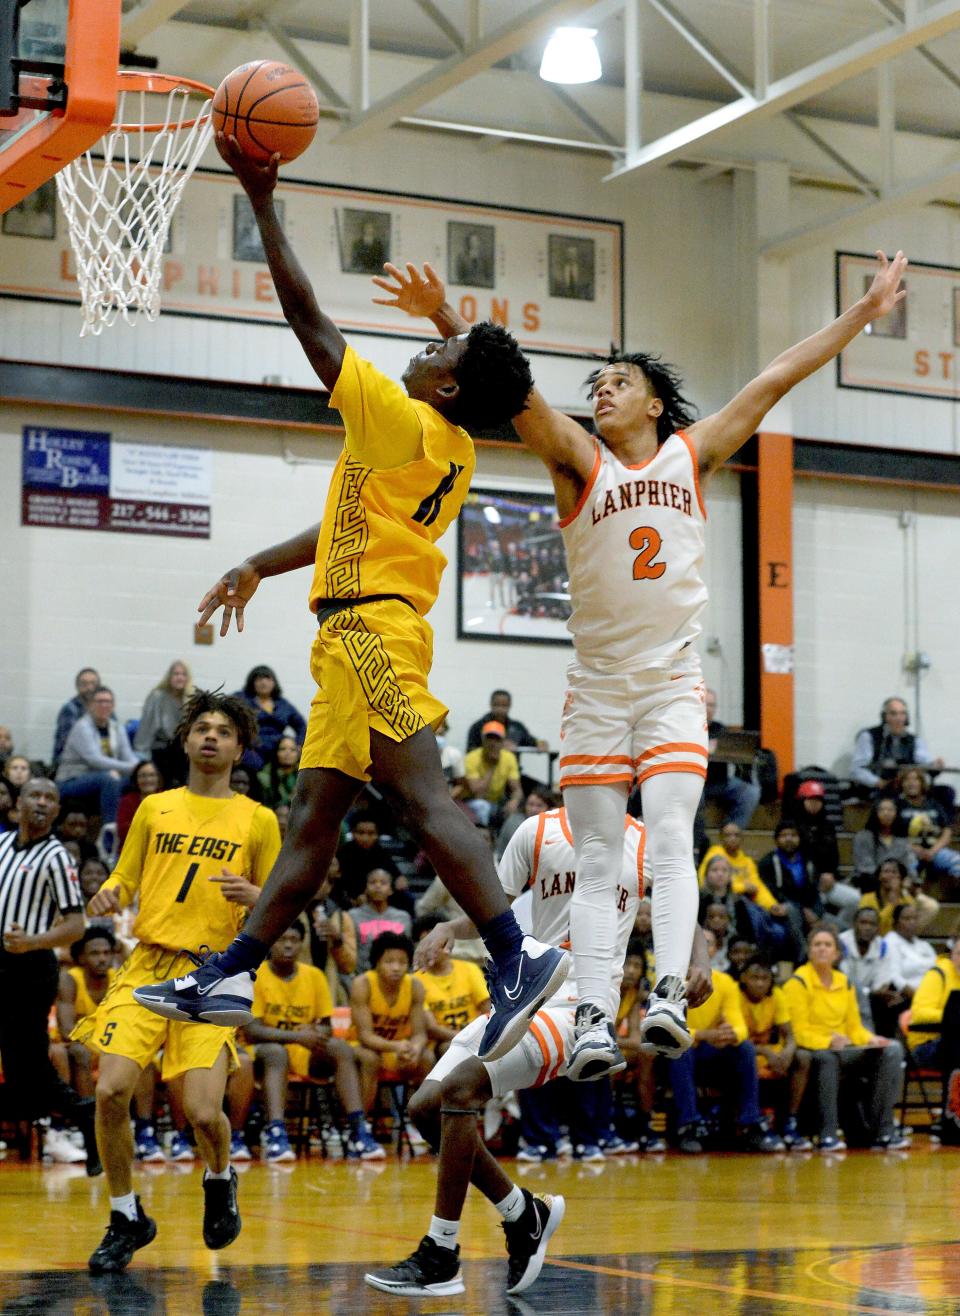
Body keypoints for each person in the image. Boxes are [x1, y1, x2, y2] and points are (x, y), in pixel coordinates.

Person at [367, 246, 912, 1078]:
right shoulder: (577, 460)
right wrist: (449, 318)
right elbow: (512, 389)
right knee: (594, 860)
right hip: (595, 687)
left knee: (665, 838)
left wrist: (863, 314)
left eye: (619, 381)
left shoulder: (691, 455)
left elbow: (776, 376)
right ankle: (592, 1016)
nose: (602, 391)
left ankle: (661, 997)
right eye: (597, 386)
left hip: (667, 685)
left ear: (655, 403)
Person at [132, 138, 567, 1065]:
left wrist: (260, 201)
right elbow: (343, 529)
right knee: (315, 820)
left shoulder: (405, 417)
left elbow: (308, 321)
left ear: (445, 384)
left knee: (420, 793)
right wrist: (258, 563)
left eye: (439, 345)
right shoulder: (447, 441)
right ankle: (232, 972)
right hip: (355, 625)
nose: (426, 344)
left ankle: (515, 951)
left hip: (370, 629)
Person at [366, 800, 710, 1298]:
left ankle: (442, 1253)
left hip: (584, 1004)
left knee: (462, 1090)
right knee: (423, 1109)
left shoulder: (643, 841)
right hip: (527, 988)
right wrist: (446, 927)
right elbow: (494, 909)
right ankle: (523, 1213)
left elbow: (683, 911)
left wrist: (697, 960)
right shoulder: (537, 830)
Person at [77, 690, 281, 1274]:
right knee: (112, 1089)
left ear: (241, 748)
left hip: (212, 974)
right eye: (202, 729)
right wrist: (112, 890)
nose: (211, 737)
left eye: (224, 731)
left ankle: (220, 1179)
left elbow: (281, 903)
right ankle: (125, 1216)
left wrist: (258, 896)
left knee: (201, 1111)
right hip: (148, 963)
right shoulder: (154, 807)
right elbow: (125, 873)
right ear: (186, 740)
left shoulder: (258, 819)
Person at [0, 776, 98, 1176]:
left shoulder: (57, 856)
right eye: (34, 796)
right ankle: (77, 1116)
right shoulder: (2, 845)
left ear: (56, 811)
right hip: (2, 962)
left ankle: (84, 1116)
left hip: (30, 967)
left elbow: (77, 925)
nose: (41, 803)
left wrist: (32, 942)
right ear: (18, 803)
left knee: (31, 1068)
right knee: (22, 1074)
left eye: (49, 799)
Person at [243, 919, 383, 1161]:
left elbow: (326, 1026)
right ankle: (276, 1132)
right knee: (276, 1051)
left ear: (301, 944)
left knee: (340, 1048)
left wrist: (318, 1034)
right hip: (262, 1053)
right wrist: (297, 1035)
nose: (287, 946)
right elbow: (252, 1032)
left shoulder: (315, 975)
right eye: (282, 940)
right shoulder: (254, 975)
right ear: (270, 943)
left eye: (294, 940)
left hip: (305, 1048)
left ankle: (357, 1129)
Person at [783, 925, 906, 1151]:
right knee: (827, 1058)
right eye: (817, 945)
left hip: (844, 1048)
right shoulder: (797, 983)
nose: (822, 949)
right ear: (809, 951)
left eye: (827, 945)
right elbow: (798, 1032)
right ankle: (827, 1135)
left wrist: (871, 1039)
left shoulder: (845, 982)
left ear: (837, 953)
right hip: (816, 1048)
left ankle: (883, 1131)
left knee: (892, 1050)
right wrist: (828, 1042)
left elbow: (854, 1027)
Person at [668, 929, 784, 1154]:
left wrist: (730, 1035)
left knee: (745, 1048)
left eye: (706, 944)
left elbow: (739, 1026)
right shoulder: (669, 980)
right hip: (677, 1051)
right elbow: (669, 1028)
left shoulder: (726, 983)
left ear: (712, 950)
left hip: (710, 1049)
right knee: (680, 1049)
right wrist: (702, 1035)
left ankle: (750, 1124)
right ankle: (688, 1126)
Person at [350, 931, 430, 1114]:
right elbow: (365, 1036)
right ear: (377, 962)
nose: (396, 968)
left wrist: (415, 1048)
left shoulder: (415, 986)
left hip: (397, 1049)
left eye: (402, 962)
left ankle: (422, 1122)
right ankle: (360, 1125)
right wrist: (397, 1047)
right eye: (389, 962)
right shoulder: (362, 984)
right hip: (360, 1048)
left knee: (426, 1057)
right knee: (371, 1058)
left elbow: (419, 1034)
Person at [738, 957, 812, 1150]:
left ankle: (790, 1121)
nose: (760, 983)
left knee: (802, 1057)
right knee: (746, 1057)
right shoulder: (735, 995)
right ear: (744, 978)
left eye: (765, 978)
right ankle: (755, 1124)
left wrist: (787, 1054)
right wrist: (766, 1053)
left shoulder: (777, 995)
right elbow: (734, 1041)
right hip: (740, 1052)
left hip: (767, 1053)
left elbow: (790, 1037)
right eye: (755, 978)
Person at [56, 687, 138, 825]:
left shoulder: (117, 727)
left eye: (108, 702)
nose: (104, 705)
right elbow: (95, 760)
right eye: (99, 701)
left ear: (113, 705)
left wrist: (140, 769)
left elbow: (128, 756)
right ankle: (110, 828)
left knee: (145, 777)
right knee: (110, 779)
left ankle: (136, 825)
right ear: (90, 705)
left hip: (105, 775)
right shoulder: (82, 727)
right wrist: (134, 767)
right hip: (72, 780)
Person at [413, 915, 490, 1056]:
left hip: (476, 1035)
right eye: (428, 944)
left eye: (438, 943)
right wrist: (466, 1039)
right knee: (450, 1049)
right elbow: (432, 1028)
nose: (434, 949)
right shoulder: (415, 980)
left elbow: (487, 1010)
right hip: (442, 1042)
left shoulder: (470, 968)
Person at [851, 696, 945, 799]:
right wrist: (877, 782)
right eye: (893, 713)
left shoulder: (914, 740)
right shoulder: (869, 736)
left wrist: (935, 765)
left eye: (902, 713)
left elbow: (924, 761)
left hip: (906, 787)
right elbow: (857, 769)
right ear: (884, 717)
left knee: (945, 792)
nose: (899, 718)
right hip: (879, 787)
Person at [839, 905, 907, 1037]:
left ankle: (883, 1045)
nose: (867, 928)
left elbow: (881, 986)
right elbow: (844, 982)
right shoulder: (841, 942)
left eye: (872, 924)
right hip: (842, 994)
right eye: (863, 922)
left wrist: (876, 993)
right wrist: (872, 993)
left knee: (892, 1002)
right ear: (854, 924)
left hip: (870, 998)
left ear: (878, 928)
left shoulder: (884, 947)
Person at [698, 687, 760, 830]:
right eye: (705, 704)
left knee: (751, 792)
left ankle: (732, 829)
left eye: (712, 705)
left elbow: (732, 752)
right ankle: (698, 834)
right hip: (699, 783)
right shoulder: (689, 728)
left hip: (722, 782)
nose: (708, 709)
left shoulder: (721, 729)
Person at [897, 767, 960, 891]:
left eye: (915, 779)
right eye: (907, 780)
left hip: (935, 851)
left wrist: (933, 851)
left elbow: (947, 831)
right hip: (907, 852)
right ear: (902, 784)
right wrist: (915, 849)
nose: (911, 783)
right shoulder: (896, 805)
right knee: (902, 869)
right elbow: (891, 835)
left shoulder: (934, 804)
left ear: (921, 783)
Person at [236, 665, 307, 770]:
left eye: (268, 679)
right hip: (253, 749)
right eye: (259, 679)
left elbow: (301, 726)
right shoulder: (241, 699)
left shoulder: (283, 704)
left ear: (274, 682)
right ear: (252, 682)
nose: (264, 682)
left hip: (278, 751)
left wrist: (298, 744)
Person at [133, 660, 193, 784]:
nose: (179, 677)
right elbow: (146, 728)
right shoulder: (157, 696)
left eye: (183, 674)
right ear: (169, 677)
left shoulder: (191, 699)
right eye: (176, 674)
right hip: (161, 749)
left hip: (184, 751)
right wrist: (142, 755)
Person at [350, 868, 413, 973]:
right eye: (372, 882)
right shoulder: (353, 916)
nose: (377, 886)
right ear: (366, 888)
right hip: (363, 975)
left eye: (383, 883)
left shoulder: (403, 917)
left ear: (390, 890)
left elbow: (407, 951)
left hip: (395, 975)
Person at [463, 721, 523, 828]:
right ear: (483, 739)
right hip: (473, 802)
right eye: (489, 738)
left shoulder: (509, 758)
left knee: (516, 812)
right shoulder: (472, 758)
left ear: (503, 741)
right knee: (482, 806)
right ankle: (483, 839)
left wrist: (514, 801)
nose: (493, 743)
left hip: (497, 802)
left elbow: (517, 790)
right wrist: (492, 766)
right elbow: (478, 793)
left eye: (497, 739)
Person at [853, 796, 917, 886]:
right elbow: (865, 867)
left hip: (898, 885)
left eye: (890, 810)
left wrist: (910, 879)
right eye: (882, 810)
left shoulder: (902, 839)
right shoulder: (863, 837)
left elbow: (910, 863)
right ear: (875, 813)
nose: (886, 813)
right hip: (869, 884)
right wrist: (890, 879)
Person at [465, 690, 546, 754]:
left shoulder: (517, 727)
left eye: (504, 705)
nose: (500, 709)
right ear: (491, 705)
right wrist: (496, 747)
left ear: (510, 705)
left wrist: (541, 743)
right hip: (485, 771)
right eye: (497, 705)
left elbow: (532, 741)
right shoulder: (478, 726)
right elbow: (470, 751)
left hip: (512, 772)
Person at [52, 667, 100, 768]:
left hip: (96, 760)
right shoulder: (70, 709)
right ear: (77, 687)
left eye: (93, 684)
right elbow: (74, 745)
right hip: (70, 764)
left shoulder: (104, 708)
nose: (90, 688)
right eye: (84, 684)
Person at [885, 902, 938, 995]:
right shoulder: (889, 942)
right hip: (908, 997)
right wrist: (917, 997)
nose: (912, 922)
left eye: (915, 918)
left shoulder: (924, 945)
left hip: (933, 993)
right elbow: (894, 977)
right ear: (895, 922)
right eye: (906, 919)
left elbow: (938, 968)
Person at [116, 761, 163, 850]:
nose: (148, 780)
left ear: (158, 778)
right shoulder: (127, 801)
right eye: (143, 776)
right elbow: (123, 831)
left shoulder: (167, 799)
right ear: (136, 780)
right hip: (132, 851)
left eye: (152, 775)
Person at [257, 734, 301, 809]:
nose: (288, 753)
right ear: (276, 752)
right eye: (283, 749)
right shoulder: (264, 777)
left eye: (292, 750)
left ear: (298, 754)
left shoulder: (304, 776)